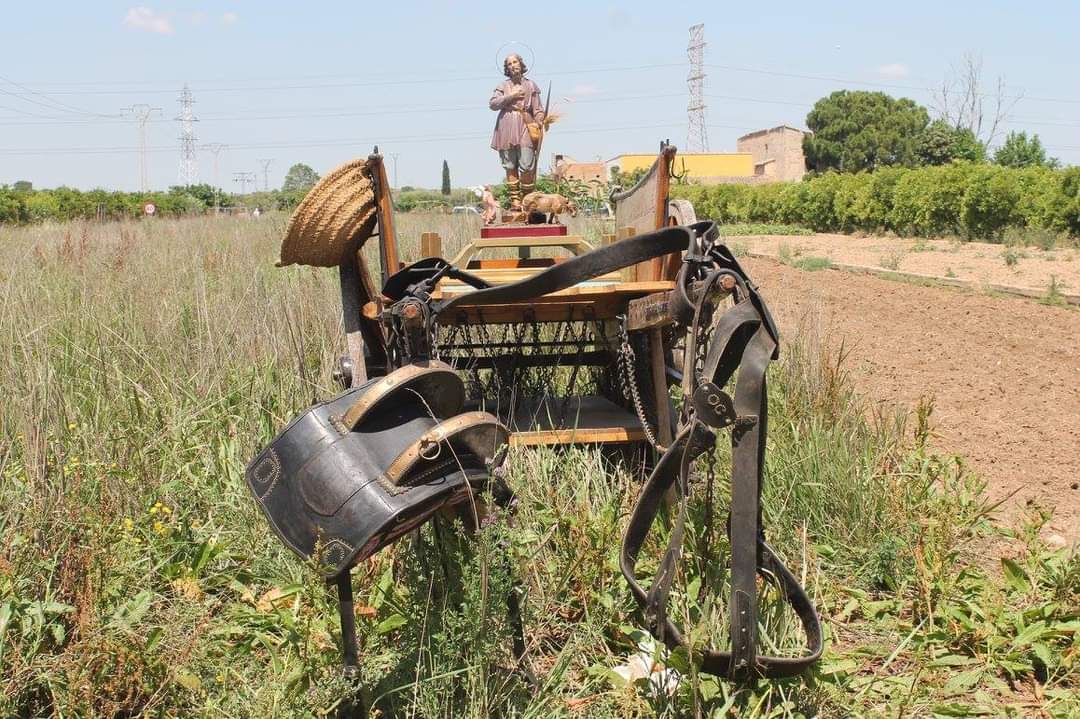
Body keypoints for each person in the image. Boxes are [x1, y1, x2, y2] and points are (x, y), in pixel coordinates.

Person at [489, 53, 544, 210]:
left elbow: (538, 109)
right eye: (510, 63)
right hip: (506, 124)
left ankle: (528, 200)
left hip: (526, 123)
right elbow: (493, 104)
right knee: (509, 163)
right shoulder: (503, 86)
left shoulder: (531, 85)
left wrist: (540, 120)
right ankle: (515, 202)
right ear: (507, 68)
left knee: (527, 164)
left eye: (515, 62)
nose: (513, 65)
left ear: (521, 64)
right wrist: (511, 96)